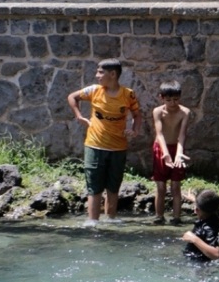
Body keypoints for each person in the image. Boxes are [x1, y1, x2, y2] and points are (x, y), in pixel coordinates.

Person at [67, 58, 143, 226]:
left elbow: (137, 115)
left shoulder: (128, 94)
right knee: (94, 186)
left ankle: (111, 219)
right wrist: (79, 116)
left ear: (113, 74)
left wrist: (135, 130)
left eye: (101, 72)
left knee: (113, 186)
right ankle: (92, 221)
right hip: (95, 145)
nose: (97, 75)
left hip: (118, 147)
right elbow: (72, 97)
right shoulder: (94, 90)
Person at [151, 80, 192, 225]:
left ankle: (176, 218)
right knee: (160, 186)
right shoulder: (158, 111)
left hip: (176, 148)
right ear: (161, 98)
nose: (172, 103)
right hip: (160, 148)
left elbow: (182, 135)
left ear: (180, 97)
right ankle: (159, 216)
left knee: (175, 186)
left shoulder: (184, 112)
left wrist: (179, 153)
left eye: (175, 99)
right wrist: (166, 153)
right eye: (168, 100)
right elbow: (160, 134)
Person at [182, 190, 219, 262]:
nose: (194, 211)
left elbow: (216, 254)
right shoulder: (212, 214)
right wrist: (194, 200)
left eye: (197, 209)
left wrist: (194, 239)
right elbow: (207, 204)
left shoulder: (209, 228)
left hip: (199, 263)